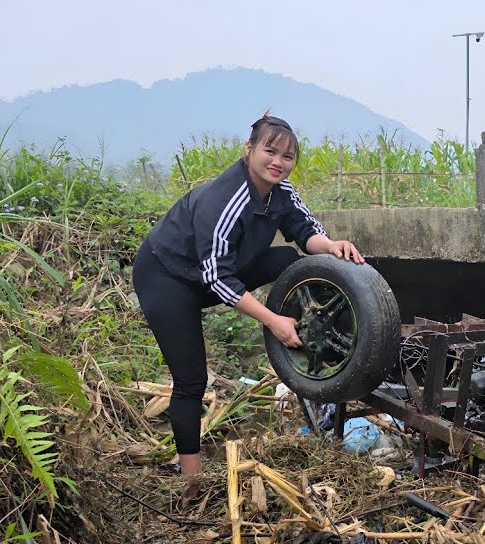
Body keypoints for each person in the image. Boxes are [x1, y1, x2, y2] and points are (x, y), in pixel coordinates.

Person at [133, 115, 364, 496]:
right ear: (249, 150)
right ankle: (191, 481)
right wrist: (272, 320)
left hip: (217, 268)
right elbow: (218, 279)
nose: (278, 162)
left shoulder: (280, 191)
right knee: (192, 380)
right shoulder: (223, 200)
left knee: (290, 258)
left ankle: (311, 333)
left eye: (287, 156)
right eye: (269, 151)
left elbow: (305, 232)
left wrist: (332, 245)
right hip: (168, 277)